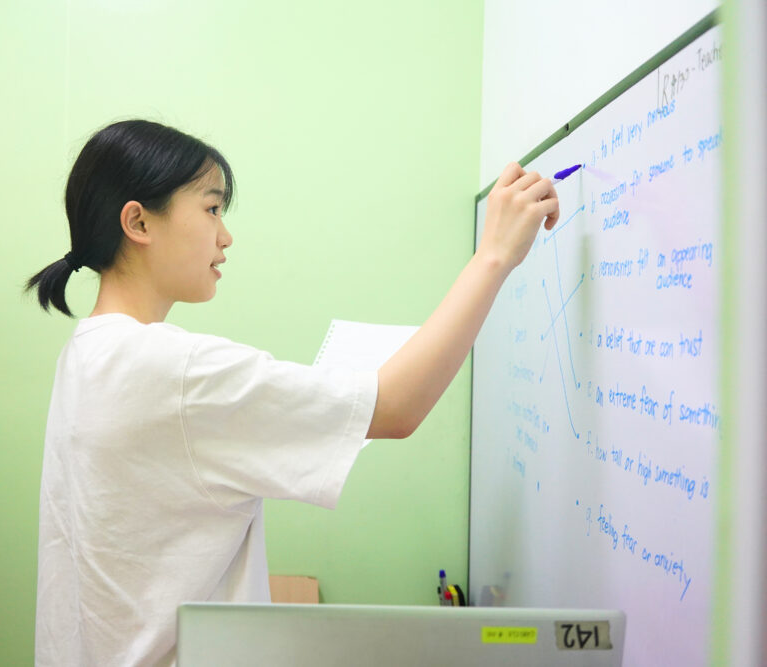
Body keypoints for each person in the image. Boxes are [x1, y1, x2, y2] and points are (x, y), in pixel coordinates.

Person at [27, 119, 558, 666]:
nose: (225, 236)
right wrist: (493, 255)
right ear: (138, 221)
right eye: (212, 209)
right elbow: (396, 407)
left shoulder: (89, 352)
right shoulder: (171, 369)